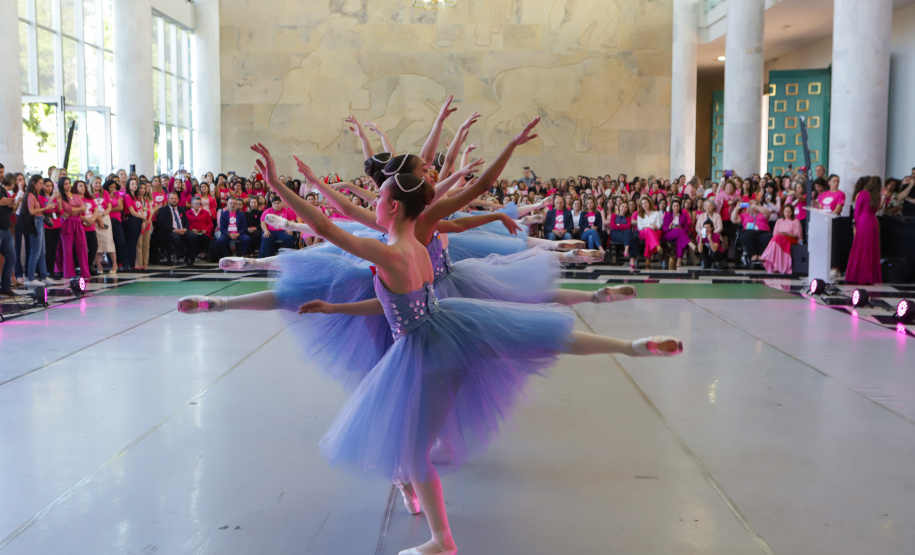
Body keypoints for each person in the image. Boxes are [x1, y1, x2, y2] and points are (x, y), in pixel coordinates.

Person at [246, 138, 680, 555]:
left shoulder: (390, 254)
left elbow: (324, 225)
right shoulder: (415, 246)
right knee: (533, 335)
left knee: (414, 453)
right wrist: (336, 308)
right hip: (451, 328)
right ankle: (629, 345)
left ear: (392, 206)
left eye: (376, 198)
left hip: (423, 353)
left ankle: (442, 540)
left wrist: (277, 185)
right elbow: (394, 304)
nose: (371, 204)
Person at [845, 176, 882, 284]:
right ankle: (870, 276)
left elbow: (857, 211)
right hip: (873, 222)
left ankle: (857, 275)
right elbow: (877, 209)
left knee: (860, 247)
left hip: (863, 222)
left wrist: (855, 224)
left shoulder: (863, 193)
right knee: (871, 248)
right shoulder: (877, 196)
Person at [56, 176, 90, 279]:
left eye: (69, 183)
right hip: (67, 223)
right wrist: (77, 209)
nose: (68, 185)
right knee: (67, 249)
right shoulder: (61, 196)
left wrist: (76, 209)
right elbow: (67, 209)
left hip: (78, 221)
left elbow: (83, 209)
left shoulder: (76, 195)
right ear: (62, 185)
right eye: (65, 184)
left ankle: (85, 272)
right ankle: (69, 273)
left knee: (83, 247)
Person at [155, 192, 197, 267]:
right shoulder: (163, 210)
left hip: (182, 230)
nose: (174, 200)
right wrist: (174, 230)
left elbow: (186, 222)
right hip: (170, 231)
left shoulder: (181, 209)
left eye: (175, 198)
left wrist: (185, 229)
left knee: (193, 236)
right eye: (172, 199)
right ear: (168, 200)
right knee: (176, 238)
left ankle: (189, 258)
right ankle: (181, 255)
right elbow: (161, 223)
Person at [759, 204, 802, 274]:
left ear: (792, 212)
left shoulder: (795, 221)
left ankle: (765, 256)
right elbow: (774, 234)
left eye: (789, 212)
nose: (787, 213)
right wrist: (781, 235)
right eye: (786, 211)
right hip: (779, 239)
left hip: (791, 239)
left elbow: (797, 236)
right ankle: (777, 266)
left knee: (778, 238)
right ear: (783, 212)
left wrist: (787, 234)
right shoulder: (779, 221)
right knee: (777, 238)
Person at [732, 199, 772, 268]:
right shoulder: (744, 215)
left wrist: (755, 206)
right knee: (747, 235)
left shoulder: (762, 214)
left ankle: (761, 255)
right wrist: (736, 208)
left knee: (770, 236)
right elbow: (733, 220)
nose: (751, 206)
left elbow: (768, 213)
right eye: (750, 205)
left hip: (762, 232)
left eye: (753, 205)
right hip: (749, 232)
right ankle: (753, 255)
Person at [630, 197, 662, 270]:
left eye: (646, 203)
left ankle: (648, 259)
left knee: (649, 235)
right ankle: (656, 246)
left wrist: (652, 227)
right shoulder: (640, 214)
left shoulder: (656, 213)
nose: (644, 205)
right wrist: (650, 227)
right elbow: (640, 227)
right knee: (648, 231)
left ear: (649, 203)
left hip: (655, 232)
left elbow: (659, 226)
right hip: (642, 233)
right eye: (642, 203)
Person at [662, 198, 694, 270]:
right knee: (677, 230)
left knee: (679, 238)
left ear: (680, 207)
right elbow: (664, 228)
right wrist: (669, 227)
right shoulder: (667, 215)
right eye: (674, 206)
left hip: (680, 234)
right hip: (668, 234)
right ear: (672, 207)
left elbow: (686, 228)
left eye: (677, 206)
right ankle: (689, 243)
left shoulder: (683, 216)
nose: (676, 208)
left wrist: (681, 228)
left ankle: (679, 260)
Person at [0, 175, 18, 296]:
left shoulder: (3, 190)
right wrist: (8, 201)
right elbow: (2, 201)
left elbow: (10, 207)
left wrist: (13, 201)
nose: (2, 175)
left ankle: (5, 286)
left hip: (5, 229)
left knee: (11, 257)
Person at [185, 195, 214, 260]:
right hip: (192, 232)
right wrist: (191, 229)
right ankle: (193, 254)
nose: (198, 205)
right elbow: (185, 225)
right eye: (197, 203)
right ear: (192, 204)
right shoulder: (187, 213)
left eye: (199, 203)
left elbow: (210, 224)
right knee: (193, 237)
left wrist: (206, 230)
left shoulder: (206, 213)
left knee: (204, 237)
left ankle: (203, 253)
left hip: (203, 232)